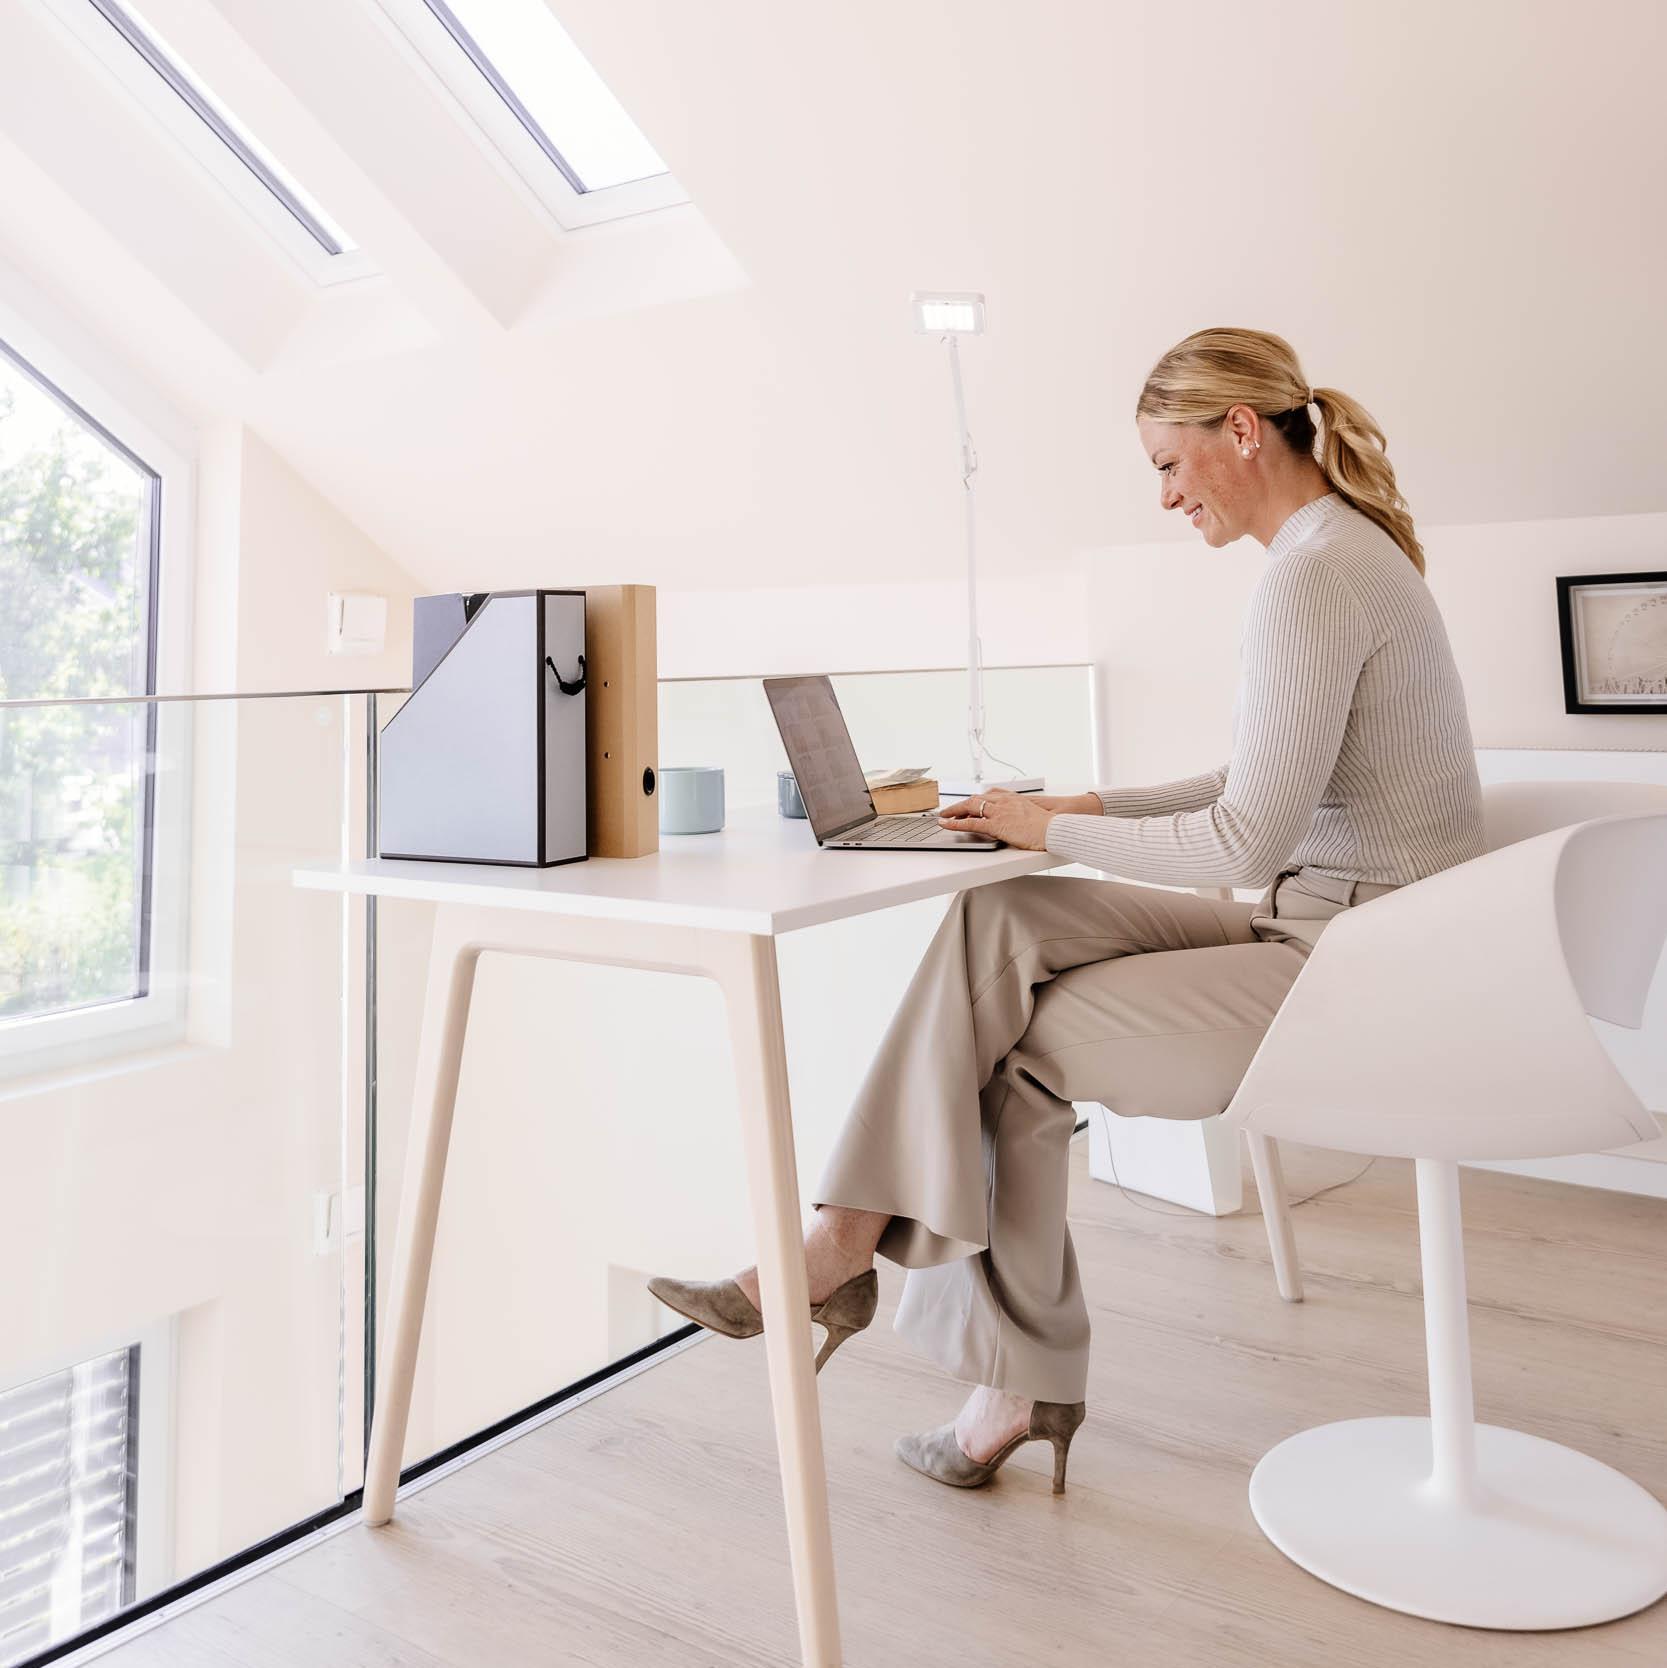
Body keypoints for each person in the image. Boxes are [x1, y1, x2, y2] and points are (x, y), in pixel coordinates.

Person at [648, 325, 1484, 1494]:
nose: (1162, 495)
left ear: (1238, 431)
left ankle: (939, 1325)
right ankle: (853, 1252)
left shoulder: (1311, 575)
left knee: (999, 1052)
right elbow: (1258, 786)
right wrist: (1085, 804)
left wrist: (1052, 827)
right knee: (1001, 925)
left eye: (1166, 462)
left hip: (1353, 963)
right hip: (1335, 918)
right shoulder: (1335, 555)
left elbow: (1242, 839)